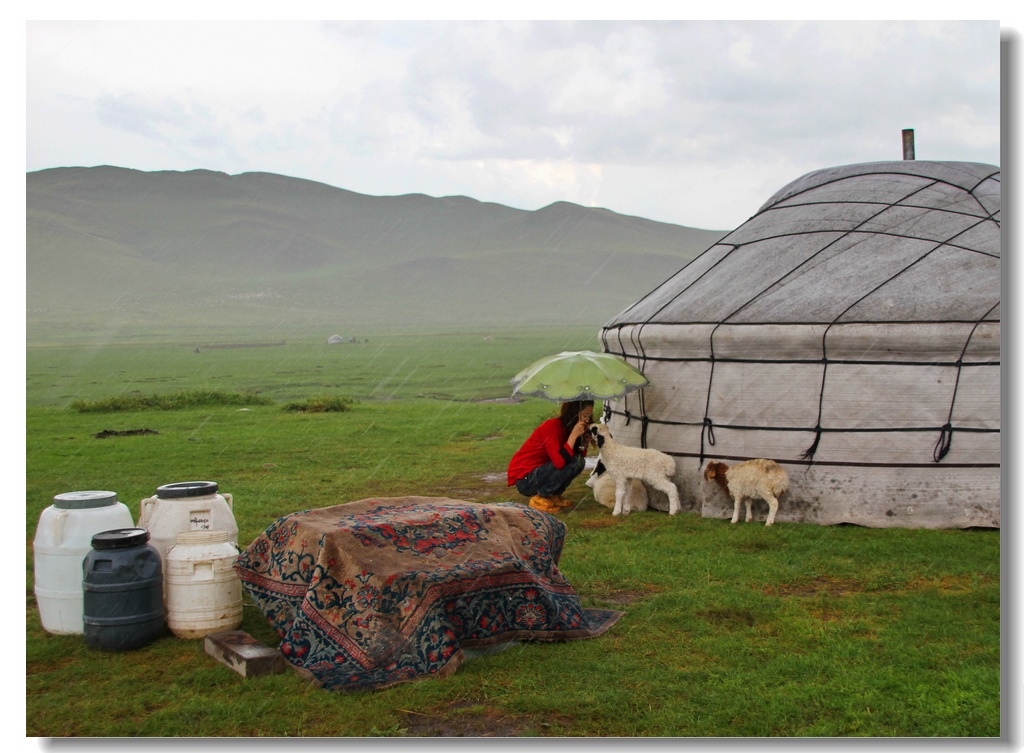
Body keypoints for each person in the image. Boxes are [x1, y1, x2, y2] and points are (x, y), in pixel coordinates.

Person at [507, 400, 594, 513]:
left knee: (579, 461)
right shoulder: (552, 426)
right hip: (526, 479)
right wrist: (573, 436)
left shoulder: (568, 429)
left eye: (589, 416)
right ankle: (541, 498)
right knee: (575, 461)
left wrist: (584, 443)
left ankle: (553, 495)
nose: (587, 420)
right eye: (585, 415)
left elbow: (577, 456)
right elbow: (559, 462)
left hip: (541, 472)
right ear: (574, 413)